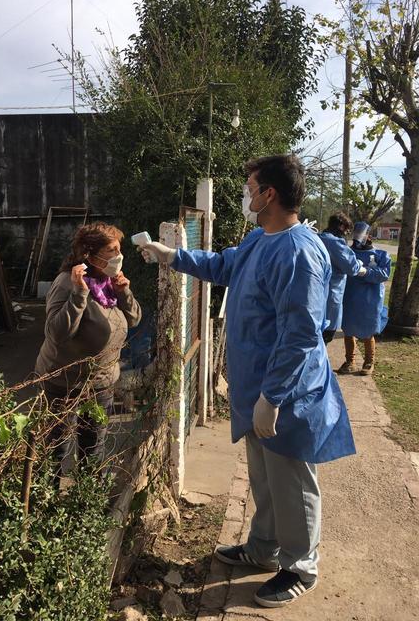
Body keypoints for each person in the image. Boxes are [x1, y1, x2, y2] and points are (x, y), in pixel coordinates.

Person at [141, 155, 355, 608]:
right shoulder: (262, 239)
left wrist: (272, 397)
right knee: (265, 478)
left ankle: (300, 566)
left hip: (287, 395)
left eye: (249, 186)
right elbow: (222, 266)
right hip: (257, 390)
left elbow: (299, 334)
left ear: (268, 194)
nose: (246, 194)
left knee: (293, 483)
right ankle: (262, 548)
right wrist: (172, 255)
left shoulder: (299, 252)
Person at [35, 222, 141, 482]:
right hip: (63, 381)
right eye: (112, 251)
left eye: (119, 249)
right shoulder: (65, 283)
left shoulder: (109, 282)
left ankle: (86, 508)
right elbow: (57, 334)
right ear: (90, 256)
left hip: (101, 382)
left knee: (93, 449)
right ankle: (45, 505)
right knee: (54, 449)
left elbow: (135, 319)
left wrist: (123, 291)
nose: (118, 256)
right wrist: (79, 294)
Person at [339, 222, 391, 375]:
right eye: (356, 233)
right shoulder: (348, 253)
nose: (358, 238)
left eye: (361, 234)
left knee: (368, 332)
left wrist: (365, 272)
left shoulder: (381, 255)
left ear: (369, 236)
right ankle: (350, 361)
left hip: (371, 300)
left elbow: (384, 274)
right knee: (348, 330)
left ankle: (369, 362)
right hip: (349, 297)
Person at [318, 212, 367, 344]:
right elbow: (351, 267)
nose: (347, 233)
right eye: (346, 229)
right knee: (324, 339)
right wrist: (360, 266)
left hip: (315, 298)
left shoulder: (318, 238)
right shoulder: (335, 243)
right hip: (330, 298)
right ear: (340, 226)